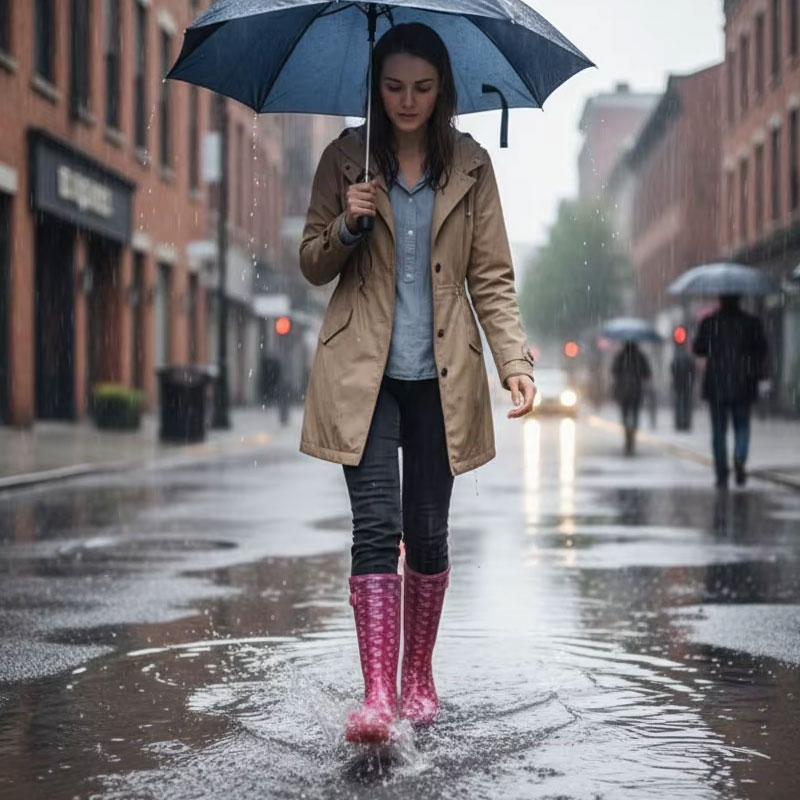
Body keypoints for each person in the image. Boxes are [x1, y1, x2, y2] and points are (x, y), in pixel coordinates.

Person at [298, 23, 535, 744]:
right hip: (361, 378)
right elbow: (310, 260)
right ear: (377, 87)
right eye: (394, 87)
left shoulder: (469, 165)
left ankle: (417, 677)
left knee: (427, 533)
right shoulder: (345, 157)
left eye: (422, 88)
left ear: (442, 91)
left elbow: (490, 275)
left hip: (441, 376)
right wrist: (348, 223)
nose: (407, 101)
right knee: (375, 529)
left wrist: (515, 362)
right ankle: (375, 695)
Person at [692, 294, 768, 488]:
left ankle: (721, 473)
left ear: (720, 300)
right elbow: (762, 350)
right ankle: (740, 457)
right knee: (742, 425)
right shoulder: (751, 323)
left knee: (719, 430)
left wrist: (713, 348)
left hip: (717, 384)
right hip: (743, 383)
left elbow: (698, 349)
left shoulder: (709, 323)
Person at [611, 341, 651, 455]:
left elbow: (614, 371)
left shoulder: (620, 356)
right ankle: (632, 437)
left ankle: (628, 437)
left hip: (623, 392)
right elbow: (647, 373)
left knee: (625, 415)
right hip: (636, 392)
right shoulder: (640, 357)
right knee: (635, 415)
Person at [670, 341, 696, 431]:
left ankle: (679, 423)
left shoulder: (676, 359)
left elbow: (672, 370)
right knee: (686, 405)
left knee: (679, 405)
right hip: (686, 385)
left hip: (678, 385)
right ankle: (686, 423)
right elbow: (693, 372)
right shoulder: (689, 359)